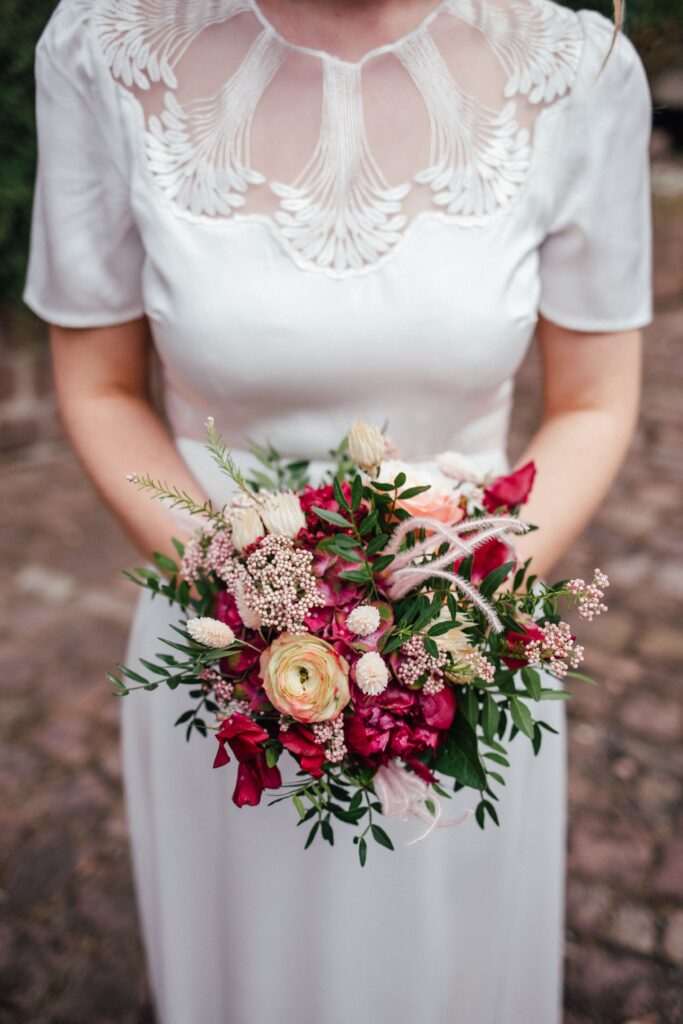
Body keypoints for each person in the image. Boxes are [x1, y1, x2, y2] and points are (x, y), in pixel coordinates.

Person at [23, 0, 653, 1021]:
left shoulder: (573, 69)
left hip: (459, 651)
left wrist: (451, 606)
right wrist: (257, 599)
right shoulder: (106, 47)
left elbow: (591, 400)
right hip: (221, 648)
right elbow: (98, 384)